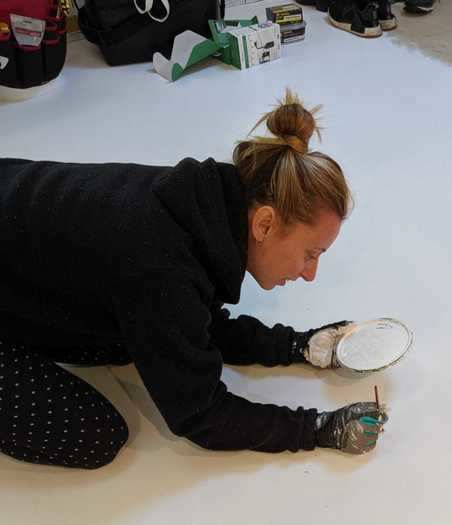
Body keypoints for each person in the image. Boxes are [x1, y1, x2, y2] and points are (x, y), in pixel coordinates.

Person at [0, 90, 387, 470]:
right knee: (92, 436)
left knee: (121, 340)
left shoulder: (198, 207)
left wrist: (299, 345)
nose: (310, 273)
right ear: (264, 223)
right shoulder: (159, 263)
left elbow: (192, 321)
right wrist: (318, 428)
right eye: (310, 254)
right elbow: (201, 414)